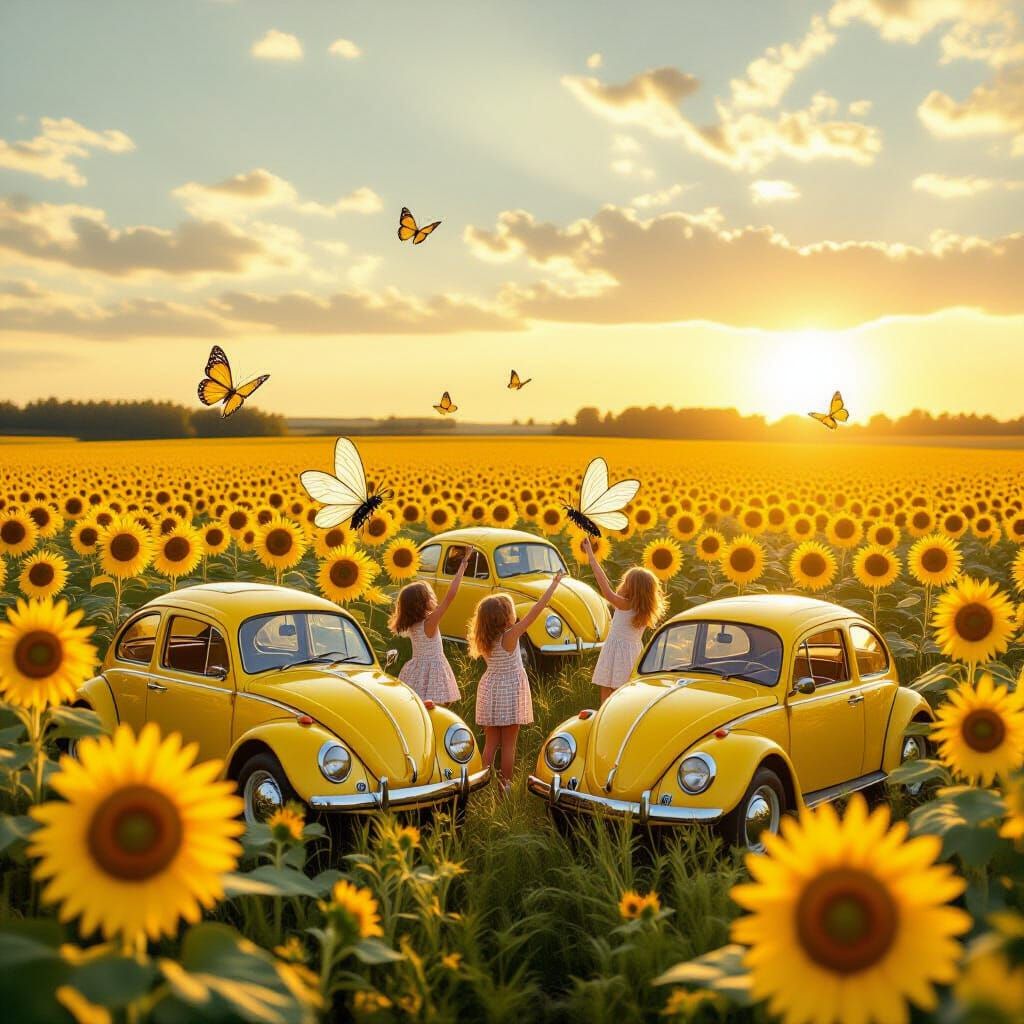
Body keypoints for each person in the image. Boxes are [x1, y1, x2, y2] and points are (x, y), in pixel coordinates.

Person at [469, 570, 566, 792]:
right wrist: (554, 583)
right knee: (509, 745)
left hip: (490, 691)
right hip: (510, 691)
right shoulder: (510, 636)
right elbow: (537, 610)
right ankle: (506, 786)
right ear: (505, 617)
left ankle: (479, 785)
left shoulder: (483, 639)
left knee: (491, 744)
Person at [582, 536, 666, 703]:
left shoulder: (625, 605)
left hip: (616, 650)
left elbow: (605, 588)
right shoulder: (644, 609)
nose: (623, 583)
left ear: (633, 588)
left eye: (626, 582)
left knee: (607, 689)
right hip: (633, 653)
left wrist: (592, 557)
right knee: (625, 694)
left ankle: (605, 717)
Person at [388, 547, 470, 704]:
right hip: (434, 672)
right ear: (423, 602)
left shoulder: (412, 625)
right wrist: (463, 563)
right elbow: (450, 596)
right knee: (436, 709)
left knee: (421, 708)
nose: (433, 598)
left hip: (416, 672)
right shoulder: (430, 622)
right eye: (430, 596)